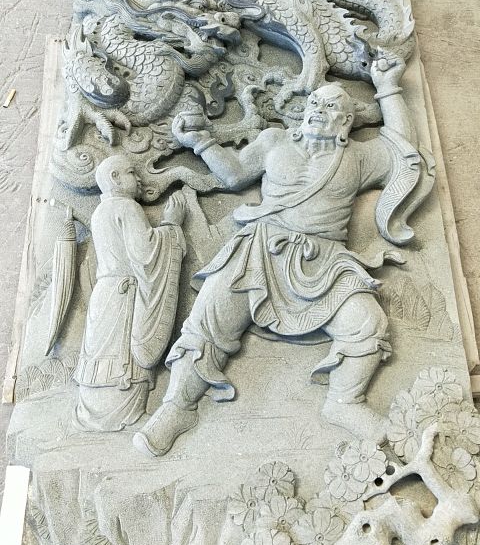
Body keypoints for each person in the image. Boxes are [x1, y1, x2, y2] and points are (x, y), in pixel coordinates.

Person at [133, 55, 434, 456]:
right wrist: (201, 141)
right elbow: (235, 174)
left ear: (346, 121)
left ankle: (345, 402)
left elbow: (401, 147)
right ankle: (176, 407)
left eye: (331, 106)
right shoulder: (275, 141)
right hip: (259, 249)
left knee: (368, 323)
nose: (319, 110)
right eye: (315, 103)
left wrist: (388, 85)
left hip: (323, 261)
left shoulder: (359, 158)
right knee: (207, 318)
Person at [74, 154, 186, 431]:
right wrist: (172, 225)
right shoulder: (126, 207)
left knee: (101, 353)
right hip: (124, 295)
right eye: (132, 173)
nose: (138, 179)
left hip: (105, 293)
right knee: (123, 354)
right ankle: (127, 415)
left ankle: (94, 414)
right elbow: (146, 252)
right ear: (114, 178)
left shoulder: (100, 212)